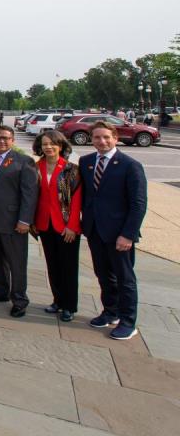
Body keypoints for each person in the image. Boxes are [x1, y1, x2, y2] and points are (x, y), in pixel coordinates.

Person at [80, 121, 147, 340]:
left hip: (120, 233)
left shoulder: (130, 165)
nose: (101, 141)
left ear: (115, 137)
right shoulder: (87, 161)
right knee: (103, 274)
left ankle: (128, 322)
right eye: (97, 137)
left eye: (106, 137)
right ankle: (111, 312)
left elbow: (138, 204)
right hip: (95, 230)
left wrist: (128, 234)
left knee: (125, 278)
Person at [0, 125, 38, 317]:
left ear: (12, 140)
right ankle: (0, 291)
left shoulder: (24, 161)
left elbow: (29, 195)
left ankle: (19, 299)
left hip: (13, 222)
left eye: (5, 138)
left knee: (16, 263)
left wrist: (25, 220)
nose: (1, 141)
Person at [32, 130, 82, 322]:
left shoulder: (72, 169)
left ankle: (69, 305)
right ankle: (57, 300)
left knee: (68, 266)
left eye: (53, 144)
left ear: (61, 146)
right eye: (45, 144)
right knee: (52, 265)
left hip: (66, 226)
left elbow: (76, 201)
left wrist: (72, 226)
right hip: (45, 224)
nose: (48, 147)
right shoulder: (37, 167)